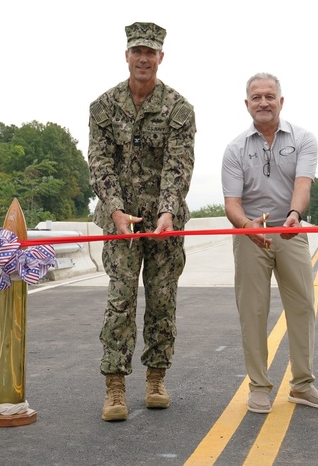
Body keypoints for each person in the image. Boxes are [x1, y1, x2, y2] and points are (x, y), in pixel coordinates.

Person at [88, 21, 197, 422]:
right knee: (120, 300)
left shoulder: (179, 109)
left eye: (151, 52)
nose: (144, 58)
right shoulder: (102, 107)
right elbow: (99, 163)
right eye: (138, 51)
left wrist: (168, 210)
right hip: (121, 222)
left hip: (164, 224)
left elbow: (178, 165)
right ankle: (115, 386)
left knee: (161, 301)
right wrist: (115, 210)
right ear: (127, 55)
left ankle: (155, 378)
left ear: (161, 58)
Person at [221, 72, 318, 414]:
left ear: (281, 101)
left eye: (270, 96)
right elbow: (231, 203)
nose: (263, 102)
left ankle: (302, 384)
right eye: (256, 97)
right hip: (249, 234)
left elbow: (303, 184)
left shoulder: (303, 139)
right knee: (253, 311)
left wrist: (295, 214)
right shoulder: (234, 149)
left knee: (302, 306)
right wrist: (246, 226)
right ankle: (258, 386)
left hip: (291, 228)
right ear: (247, 104)